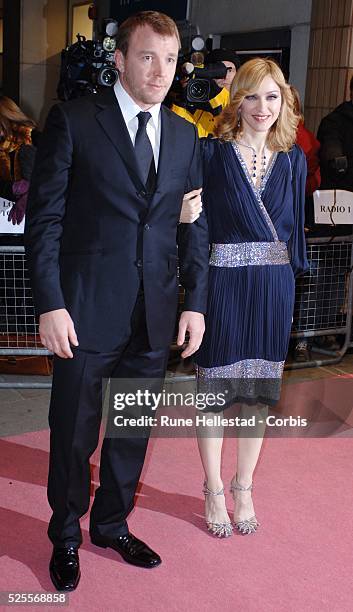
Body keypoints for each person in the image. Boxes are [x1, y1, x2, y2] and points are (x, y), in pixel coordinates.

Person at [25, 10, 209, 591]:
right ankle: (65, 534)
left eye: (170, 59)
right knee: (73, 432)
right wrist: (50, 303)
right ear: (121, 60)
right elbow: (46, 220)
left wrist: (194, 302)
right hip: (82, 311)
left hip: (153, 313)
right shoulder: (75, 120)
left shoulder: (184, 133)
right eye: (148, 57)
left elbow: (192, 225)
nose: (160, 71)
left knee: (131, 430)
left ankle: (111, 523)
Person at [182, 58, 308, 537]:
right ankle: (213, 488)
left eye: (272, 96)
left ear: (285, 101)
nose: (262, 107)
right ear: (237, 100)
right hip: (224, 285)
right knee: (214, 395)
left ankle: (244, 486)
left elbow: (294, 231)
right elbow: (198, 227)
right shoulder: (210, 154)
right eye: (252, 96)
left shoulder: (294, 158)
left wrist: (289, 285)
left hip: (275, 287)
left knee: (257, 396)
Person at [171, 49, 240, 137]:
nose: (224, 76)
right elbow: (176, 134)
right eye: (218, 70)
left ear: (237, 74)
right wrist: (183, 98)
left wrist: (215, 95)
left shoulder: (243, 105)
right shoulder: (196, 98)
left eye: (230, 70)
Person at [0, 97, 38, 226]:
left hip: (38, 220)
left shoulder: (37, 140)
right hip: (8, 224)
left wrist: (32, 191)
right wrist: (13, 188)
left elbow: (54, 180)